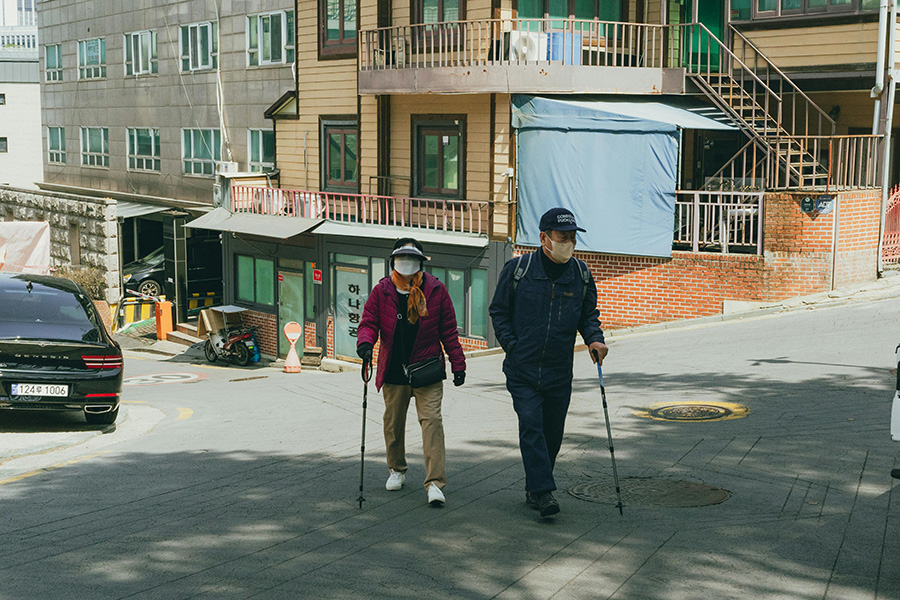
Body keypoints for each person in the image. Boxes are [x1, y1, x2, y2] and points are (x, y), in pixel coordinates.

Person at [489, 207, 609, 517]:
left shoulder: (580, 274)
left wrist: (594, 339)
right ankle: (544, 493)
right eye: (562, 237)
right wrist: (513, 347)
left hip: (558, 372)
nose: (568, 243)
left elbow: (587, 315)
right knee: (532, 427)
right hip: (523, 370)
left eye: (572, 238)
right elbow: (499, 311)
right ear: (544, 238)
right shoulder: (520, 269)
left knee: (552, 433)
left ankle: (534, 485)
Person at [357, 238, 466, 506]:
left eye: (411, 259)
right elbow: (369, 321)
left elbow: (449, 331)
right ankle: (396, 469)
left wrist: (458, 363)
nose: (406, 264)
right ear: (393, 262)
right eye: (401, 259)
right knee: (393, 424)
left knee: (432, 423)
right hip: (394, 367)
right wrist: (365, 343)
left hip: (427, 367)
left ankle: (435, 483)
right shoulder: (382, 291)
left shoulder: (436, 290)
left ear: (420, 263)